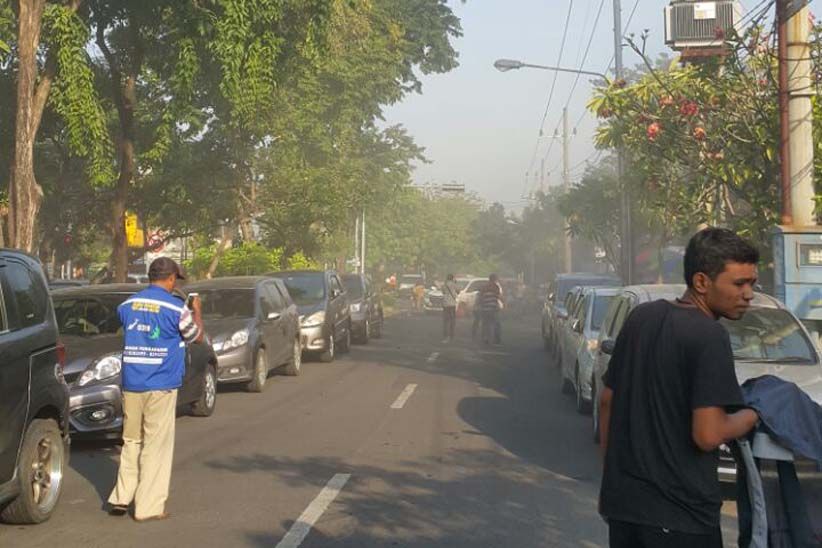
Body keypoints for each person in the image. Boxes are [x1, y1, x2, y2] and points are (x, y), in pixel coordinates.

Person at [598, 228, 760, 548]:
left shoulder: (641, 317)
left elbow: (607, 401)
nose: (748, 294)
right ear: (701, 282)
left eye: (752, 284)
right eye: (739, 283)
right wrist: (752, 415)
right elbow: (708, 434)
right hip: (683, 519)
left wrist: (613, 484)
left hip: (625, 511)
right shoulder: (709, 336)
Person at [107, 257, 203, 521]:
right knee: (156, 445)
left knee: (131, 440)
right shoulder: (176, 308)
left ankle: (122, 497)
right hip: (161, 384)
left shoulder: (127, 305)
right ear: (171, 278)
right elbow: (197, 337)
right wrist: (196, 310)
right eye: (175, 280)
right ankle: (148, 507)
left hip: (132, 383)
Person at [478, 274, 503, 344]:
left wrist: (481, 305)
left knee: (486, 324)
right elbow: (498, 297)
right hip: (493, 308)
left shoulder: (484, 287)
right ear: (494, 279)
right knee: (496, 324)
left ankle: (485, 338)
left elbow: (480, 297)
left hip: (485, 308)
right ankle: (497, 339)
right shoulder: (496, 287)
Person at [441, 274, 458, 342]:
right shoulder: (454, 284)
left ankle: (445, 336)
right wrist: (455, 283)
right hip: (452, 304)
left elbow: (443, 292)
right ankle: (451, 335)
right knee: (452, 320)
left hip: (445, 303)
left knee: (446, 321)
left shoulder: (444, 284)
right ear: (452, 278)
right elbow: (458, 291)